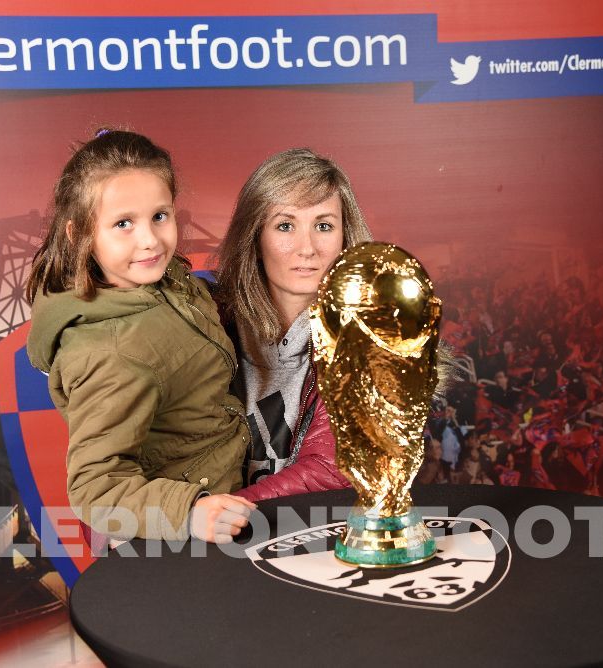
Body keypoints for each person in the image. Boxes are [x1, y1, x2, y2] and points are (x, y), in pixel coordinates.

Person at [26, 129, 255, 544]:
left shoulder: (160, 280)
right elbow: (97, 488)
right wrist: (188, 512)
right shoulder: (108, 351)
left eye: (160, 216)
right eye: (123, 224)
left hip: (232, 491)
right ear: (79, 235)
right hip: (181, 538)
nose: (150, 240)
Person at [215, 148, 373, 501]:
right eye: (285, 225)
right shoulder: (204, 321)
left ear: (345, 238)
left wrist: (212, 514)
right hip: (200, 547)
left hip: (306, 538)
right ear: (254, 238)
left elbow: (332, 469)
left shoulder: (369, 339)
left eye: (323, 226)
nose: (308, 248)